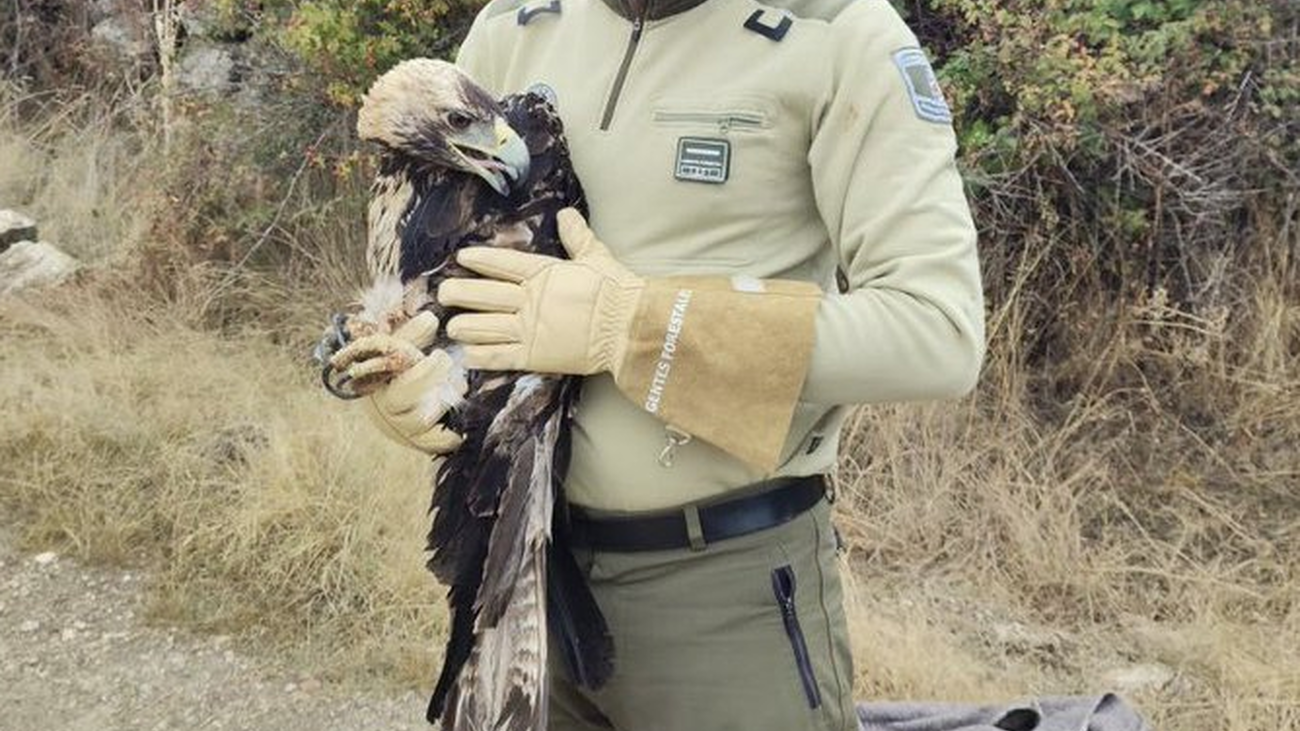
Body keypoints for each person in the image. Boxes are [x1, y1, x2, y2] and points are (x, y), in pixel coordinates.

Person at [346, 0, 985, 728]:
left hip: (725, 591)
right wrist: (409, 377)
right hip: (516, 568)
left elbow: (938, 332)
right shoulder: (515, 26)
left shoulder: (840, 33)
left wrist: (634, 326)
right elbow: (443, 261)